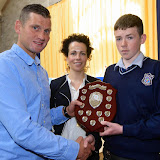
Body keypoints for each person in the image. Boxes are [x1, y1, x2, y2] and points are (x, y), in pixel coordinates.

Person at [0, 4, 95, 160]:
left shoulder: (41, 72)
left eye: (46, 31)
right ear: (18, 26)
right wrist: (73, 150)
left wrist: (65, 112)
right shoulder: (5, 66)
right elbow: (22, 130)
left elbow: (40, 118)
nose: (42, 36)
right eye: (35, 28)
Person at [100, 14, 160, 160]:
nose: (123, 44)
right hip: (110, 153)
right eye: (119, 38)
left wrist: (123, 130)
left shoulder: (155, 69)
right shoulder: (110, 71)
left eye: (130, 37)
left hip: (143, 155)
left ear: (142, 38)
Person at [50, 33, 102, 160]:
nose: (78, 57)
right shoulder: (55, 85)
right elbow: (47, 118)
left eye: (82, 53)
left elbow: (101, 122)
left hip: (89, 151)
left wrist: (93, 140)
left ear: (88, 57)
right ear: (66, 57)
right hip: (60, 153)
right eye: (73, 53)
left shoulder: (97, 86)